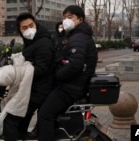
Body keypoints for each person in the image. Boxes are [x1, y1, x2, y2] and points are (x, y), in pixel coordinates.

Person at [38, 5, 98, 141]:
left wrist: (57, 76)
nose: (66, 21)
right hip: (74, 85)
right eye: (64, 17)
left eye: (70, 17)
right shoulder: (76, 36)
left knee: (45, 114)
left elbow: (74, 65)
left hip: (69, 88)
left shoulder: (79, 38)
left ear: (80, 19)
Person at [3, 12, 55, 141]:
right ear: (20, 30)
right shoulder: (32, 42)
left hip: (40, 90)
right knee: (22, 119)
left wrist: (18, 72)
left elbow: (41, 69)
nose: (29, 29)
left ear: (36, 24)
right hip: (34, 88)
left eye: (31, 25)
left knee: (10, 118)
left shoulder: (43, 43)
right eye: (24, 28)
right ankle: (22, 136)